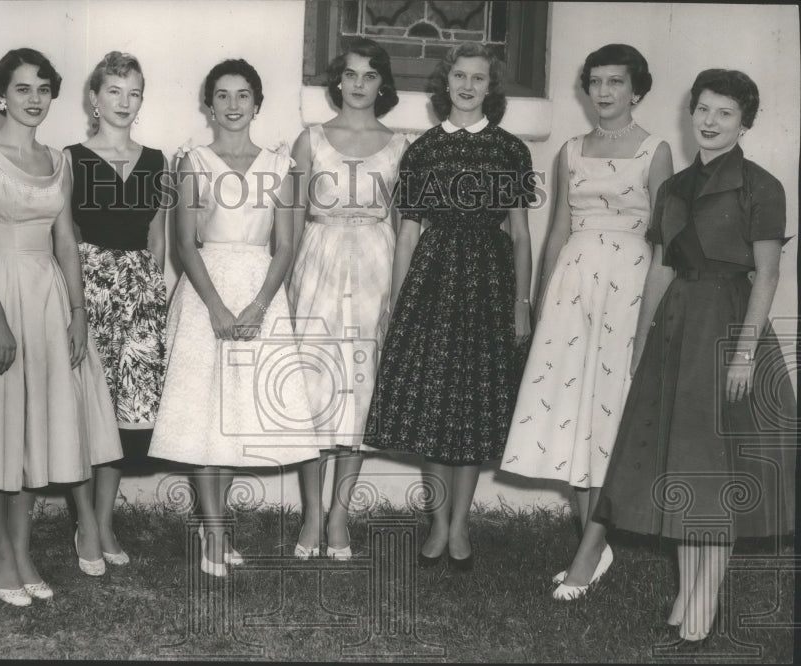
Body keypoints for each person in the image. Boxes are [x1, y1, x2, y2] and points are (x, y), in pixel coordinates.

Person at [594, 69, 796, 647]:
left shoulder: (762, 186)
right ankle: (687, 591)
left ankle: (705, 597)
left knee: (718, 470)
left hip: (729, 325)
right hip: (677, 329)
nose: (709, 121)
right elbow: (660, 269)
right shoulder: (674, 188)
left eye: (724, 113)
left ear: (744, 122)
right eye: (702, 109)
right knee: (683, 465)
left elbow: (768, 275)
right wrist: (639, 345)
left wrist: (743, 354)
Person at [498, 44, 673, 600]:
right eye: (595, 82)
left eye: (615, 82)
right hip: (573, 283)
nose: (603, 92)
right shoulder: (570, 150)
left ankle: (589, 551)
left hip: (627, 284)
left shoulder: (655, 151)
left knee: (610, 413)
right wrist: (538, 301)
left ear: (636, 90)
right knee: (574, 415)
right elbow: (555, 232)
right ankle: (592, 544)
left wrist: (649, 313)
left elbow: (664, 242)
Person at [363, 42, 535, 570]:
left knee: (475, 409)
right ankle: (438, 523)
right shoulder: (424, 150)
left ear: (490, 88)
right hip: (433, 280)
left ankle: (462, 524)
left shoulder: (511, 149)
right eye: (459, 76)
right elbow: (408, 232)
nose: (467, 86)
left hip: (488, 280)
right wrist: (396, 301)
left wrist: (521, 304)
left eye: (478, 79)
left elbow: (522, 236)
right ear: (446, 84)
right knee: (435, 411)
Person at [0, 48, 122, 604]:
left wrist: (78, 314)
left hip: (48, 296)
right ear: (1, 95)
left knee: (32, 426)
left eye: (43, 89)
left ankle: (22, 551)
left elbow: (66, 240)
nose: (34, 99)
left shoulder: (60, 160)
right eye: (23, 88)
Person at [148, 59, 320, 577]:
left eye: (243, 95)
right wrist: (217, 305)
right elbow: (184, 242)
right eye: (222, 95)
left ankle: (214, 525)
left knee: (236, 414)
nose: (232, 105)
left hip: (259, 292)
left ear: (257, 103)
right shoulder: (193, 161)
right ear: (209, 103)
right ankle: (215, 533)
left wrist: (259, 305)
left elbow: (287, 245)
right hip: (207, 288)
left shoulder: (282, 165)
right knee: (204, 412)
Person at [287, 38, 406, 560]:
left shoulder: (400, 144)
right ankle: (311, 514)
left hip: (375, 265)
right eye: (351, 74)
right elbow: (288, 221)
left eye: (370, 75)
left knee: (358, 391)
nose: (359, 84)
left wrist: (398, 293)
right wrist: (282, 286)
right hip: (318, 262)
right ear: (338, 80)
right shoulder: (310, 139)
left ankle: (340, 515)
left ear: (383, 84)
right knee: (315, 390)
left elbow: (404, 225)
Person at [65, 51, 167, 567]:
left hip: (141, 293)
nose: (124, 103)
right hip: (89, 289)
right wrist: (73, 301)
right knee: (87, 411)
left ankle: (104, 522)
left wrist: (152, 295)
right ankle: (84, 522)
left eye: (134, 93)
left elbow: (157, 234)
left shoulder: (155, 160)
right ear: (94, 98)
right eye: (114, 91)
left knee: (125, 417)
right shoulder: (71, 158)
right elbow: (64, 235)